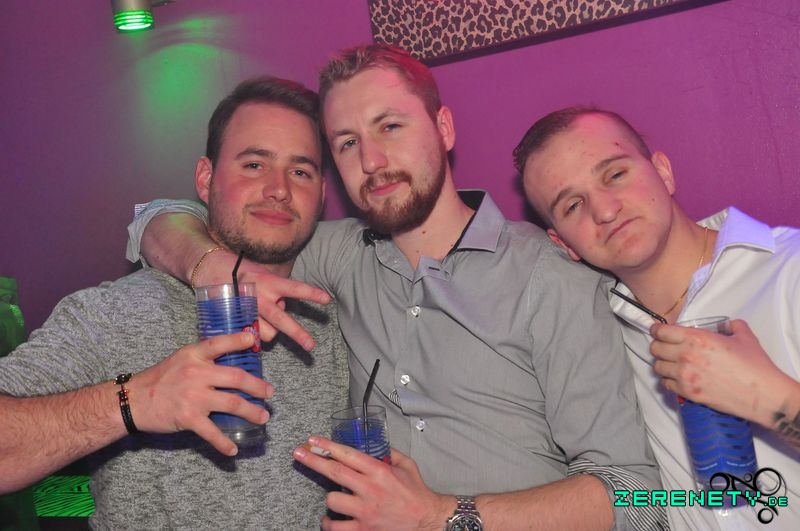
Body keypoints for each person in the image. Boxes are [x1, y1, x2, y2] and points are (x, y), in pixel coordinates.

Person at [128, 45, 664, 530]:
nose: (372, 162)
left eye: (390, 127)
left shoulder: (549, 276)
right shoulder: (337, 255)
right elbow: (157, 217)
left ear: (444, 128)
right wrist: (212, 266)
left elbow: (638, 497)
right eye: (347, 143)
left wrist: (441, 517)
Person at [0, 77, 349, 530]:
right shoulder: (116, 313)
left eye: (300, 171)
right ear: (206, 179)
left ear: (321, 195)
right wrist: (132, 401)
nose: (278, 189)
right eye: (254, 164)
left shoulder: (334, 318)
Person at [515, 106, 800, 530]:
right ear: (565, 244)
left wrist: (768, 399)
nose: (604, 210)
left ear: (663, 172)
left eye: (615, 174)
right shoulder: (595, 340)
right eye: (573, 205)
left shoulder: (789, 271)